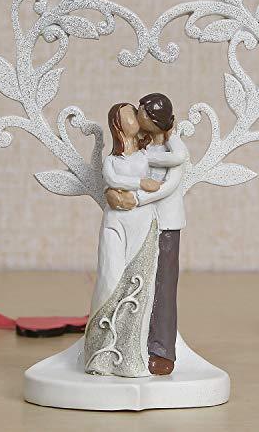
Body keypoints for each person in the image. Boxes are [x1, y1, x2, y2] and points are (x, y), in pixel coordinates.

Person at [84, 102, 184, 377]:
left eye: (139, 112)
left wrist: (135, 197)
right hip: (123, 222)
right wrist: (124, 189)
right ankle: (104, 349)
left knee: (150, 287)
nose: (137, 116)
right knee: (114, 278)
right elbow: (111, 177)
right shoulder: (126, 156)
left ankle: (149, 351)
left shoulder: (159, 151)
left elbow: (170, 178)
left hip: (152, 223)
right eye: (132, 112)